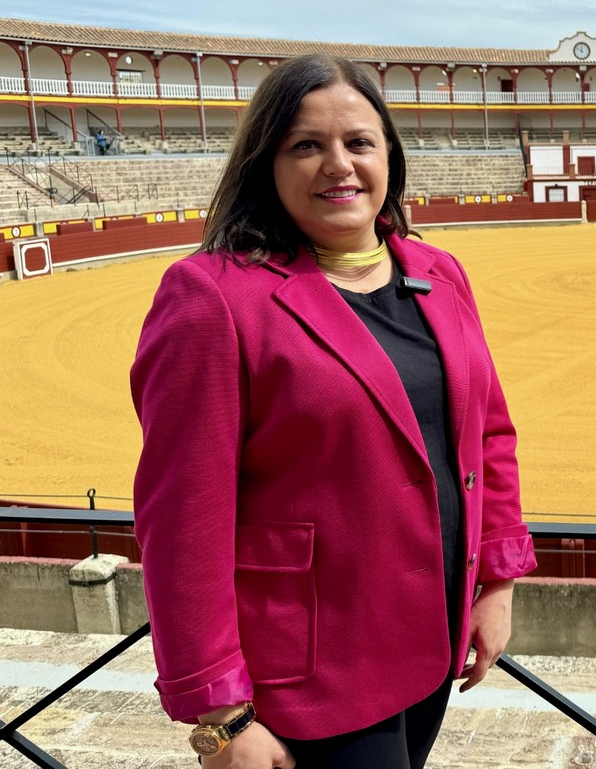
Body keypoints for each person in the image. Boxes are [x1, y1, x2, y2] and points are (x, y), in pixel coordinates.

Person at [131, 54, 536, 768]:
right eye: (306, 145)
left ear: (389, 156)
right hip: (309, 675)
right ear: (268, 162)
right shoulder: (212, 296)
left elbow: (488, 434)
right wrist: (221, 715)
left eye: (358, 142)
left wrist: (495, 583)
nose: (337, 164)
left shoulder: (439, 273)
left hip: (431, 644)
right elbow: (183, 520)